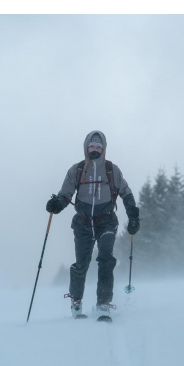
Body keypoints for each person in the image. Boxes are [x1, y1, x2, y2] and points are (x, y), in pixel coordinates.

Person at [46, 130, 140, 319]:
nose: (95, 149)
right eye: (92, 146)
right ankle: (76, 302)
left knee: (106, 260)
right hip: (83, 222)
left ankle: (103, 304)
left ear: (104, 149)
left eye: (99, 146)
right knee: (81, 264)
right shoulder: (77, 170)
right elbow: (66, 194)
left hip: (106, 221)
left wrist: (133, 215)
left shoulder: (112, 170)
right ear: (86, 148)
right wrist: (57, 204)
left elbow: (126, 192)